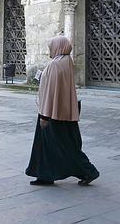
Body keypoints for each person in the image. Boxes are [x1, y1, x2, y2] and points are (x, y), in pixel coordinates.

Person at [25, 36, 99, 186]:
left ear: (58, 47)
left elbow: (51, 91)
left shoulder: (55, 65)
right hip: (65, 111)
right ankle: (45, 175)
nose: (49, 50)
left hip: (52, 112)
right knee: (61, 145)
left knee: (63, 146)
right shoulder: (66, 62)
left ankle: (89, 171)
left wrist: (45, 116)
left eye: (51, 47)